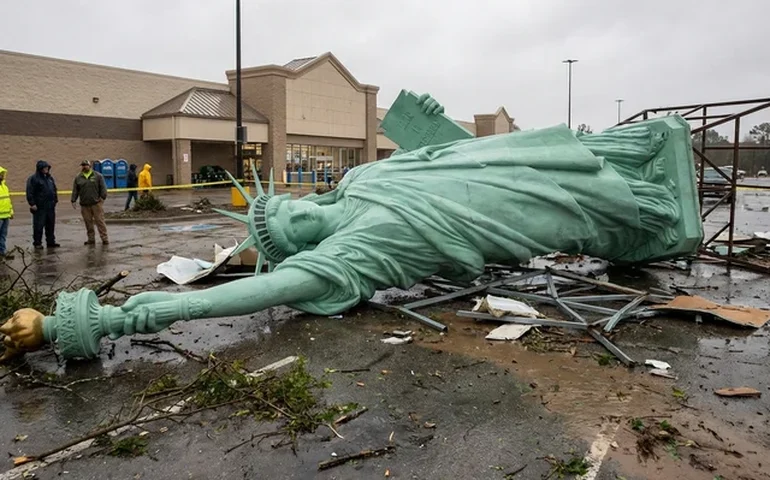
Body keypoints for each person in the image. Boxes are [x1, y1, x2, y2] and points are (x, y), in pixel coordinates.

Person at [0, 94, 702, 361]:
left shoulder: (362, 179)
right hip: (503, 215)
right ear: (301, 245)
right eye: (291, 224)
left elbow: (446, 154)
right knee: (569, 209)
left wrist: (422, 122)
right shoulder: (347, 255)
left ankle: (633, 167)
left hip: (503, 171)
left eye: (288, 205)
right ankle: (650, 220)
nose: (300, 209)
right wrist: (92, 323)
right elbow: (223, 300)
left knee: (543, 165)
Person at [71, 160, 109, 245]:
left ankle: (104, 238)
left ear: (90, 166)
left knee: (100, 221)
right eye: (83, 165)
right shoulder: (78, 177)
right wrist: (73, 200)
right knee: (88, 223)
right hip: (84, 205)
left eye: (86, 165)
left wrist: (103, 198)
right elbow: (75, 190)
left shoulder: (98, 176)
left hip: (96, 204)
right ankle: (91, 239)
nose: (84, 167)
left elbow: (103, 188)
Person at [25, 160, 59, 250]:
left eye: (47, 168)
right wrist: (32, 203)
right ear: (40, 169)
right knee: (38, 226)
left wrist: (55, 200)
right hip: (40, 207)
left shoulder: (49, 178)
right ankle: (37, 243)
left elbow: (54, 190)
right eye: (44, 168)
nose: (46, 169)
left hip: (50, 206)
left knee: (50, 225)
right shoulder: (33, 179)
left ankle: (51, 241)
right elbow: (30, 192)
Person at [0, 166, 13, 260]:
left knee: (3, 235)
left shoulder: (5, 187)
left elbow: (8, 200)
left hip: (5, 215)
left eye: (2, 174)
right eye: (1, 174)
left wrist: (11, 211)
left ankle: (2, 252)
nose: (2, 176)